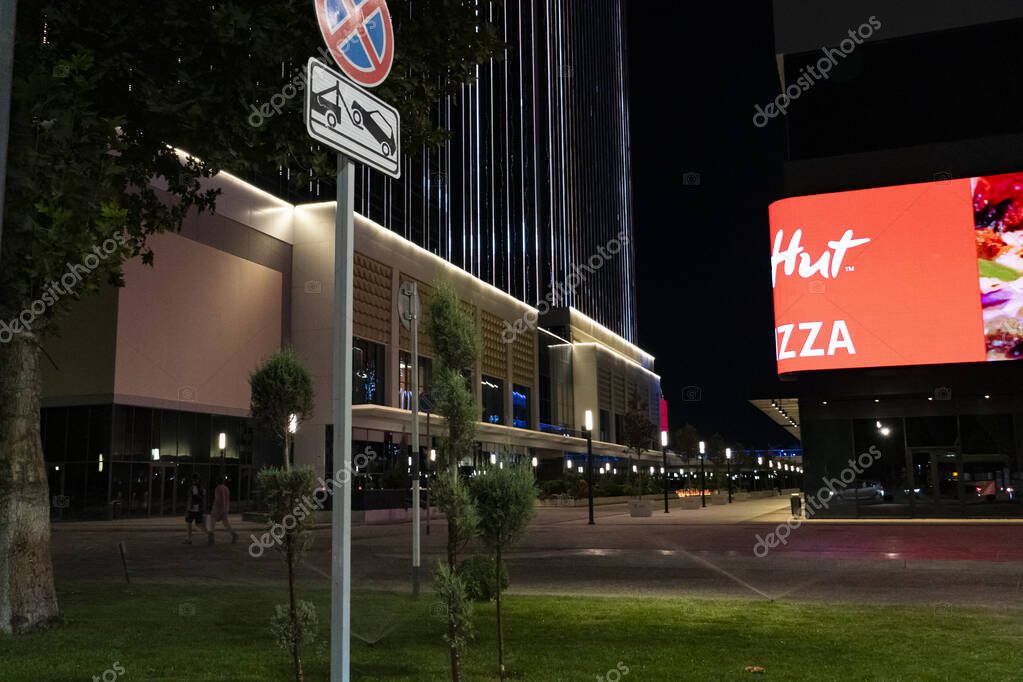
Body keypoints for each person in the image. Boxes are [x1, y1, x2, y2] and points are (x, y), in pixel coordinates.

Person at [207, 478, 238, 545]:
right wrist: (224, 508)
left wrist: (216, 507)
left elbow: (218, 499)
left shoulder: (218, 488)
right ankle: (233, 534)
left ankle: (211, 537)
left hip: (218, 509)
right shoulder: (226, 488)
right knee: (226, 523)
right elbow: (226, 498)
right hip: (225, 509)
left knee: (212, 522)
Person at [184, 473, 206, 544]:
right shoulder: (201, 487)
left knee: (189, 522)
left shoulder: (194, 487)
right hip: (199, 507)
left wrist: (190, 506)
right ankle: (209, 534)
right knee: (199, 524)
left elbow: (196, 496)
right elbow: (203, 495)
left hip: (193, 507)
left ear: (193, 479)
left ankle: (189, 539)